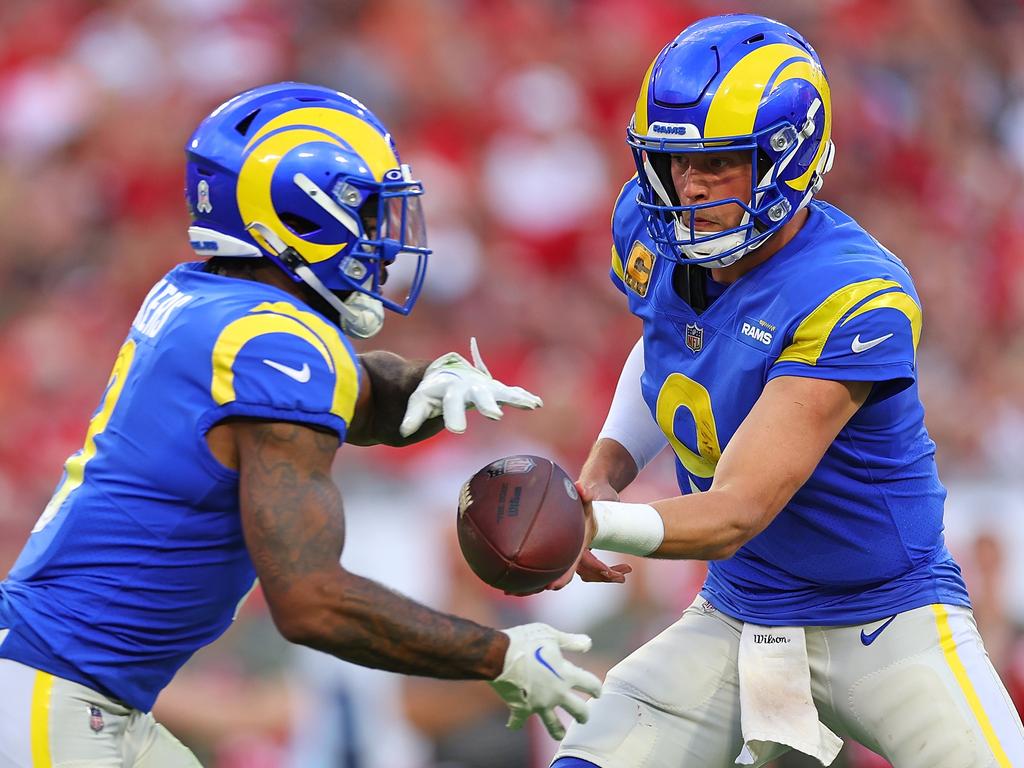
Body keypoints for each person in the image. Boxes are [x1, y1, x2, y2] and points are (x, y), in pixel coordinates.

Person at [0, 82, 601, 767]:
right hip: (58, 699)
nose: (383, 238)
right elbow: (312, 601)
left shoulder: (209, 298)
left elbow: (354, 391)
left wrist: (426, 379)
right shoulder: (271, 344)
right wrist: (499, 653)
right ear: (300, 214)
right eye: (367, 211)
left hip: (67, 689)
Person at [548, 14, 1024, 768]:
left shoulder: (851, 291)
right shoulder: (651, 228)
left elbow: (738, 509)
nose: (686, 187)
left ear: (786, 158)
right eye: (673, 163)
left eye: (719, 164)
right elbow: (665, 345)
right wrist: (602, 472)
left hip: (884, 620)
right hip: (743, 611)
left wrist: (591, 522)